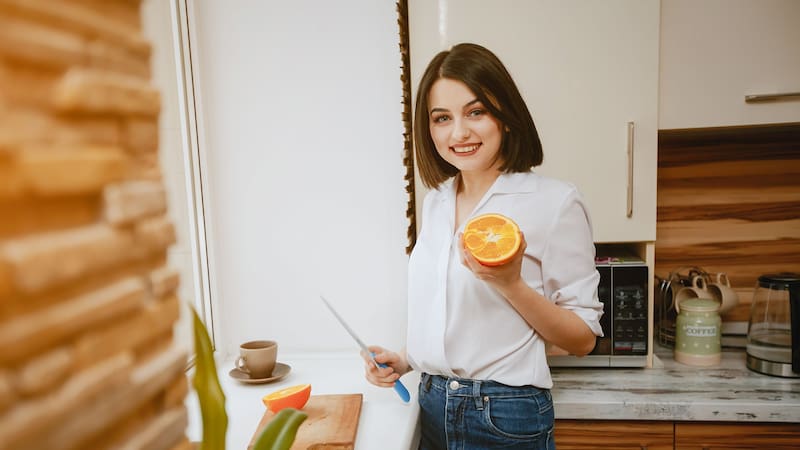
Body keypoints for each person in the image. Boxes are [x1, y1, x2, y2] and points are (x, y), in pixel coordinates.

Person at [364, 42, 604, 450]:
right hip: (432, 403)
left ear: (505, 117)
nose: (459, 132)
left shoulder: (554, 201)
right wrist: (405, 359)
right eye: (442, 118)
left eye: (476, 112)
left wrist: (510, 284)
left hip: (506, 413)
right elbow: (456, 312)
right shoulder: (437, 200)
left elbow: (582, 339)